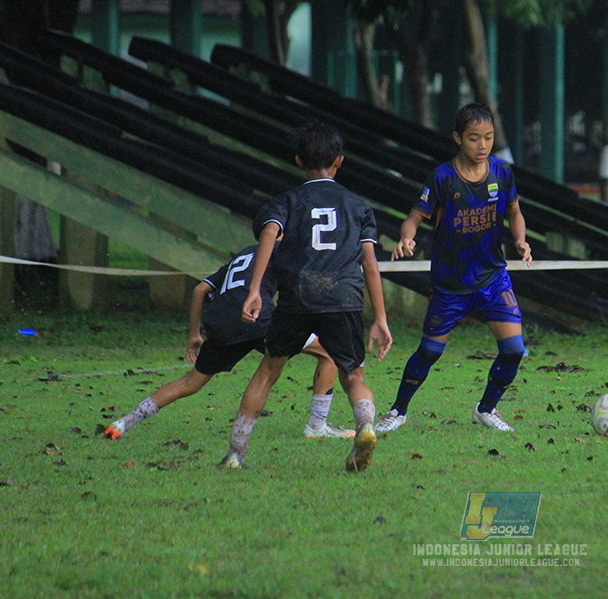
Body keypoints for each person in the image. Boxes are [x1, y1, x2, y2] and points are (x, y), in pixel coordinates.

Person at [219, 121, 392, 471]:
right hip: (344, 297)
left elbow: (269, 234)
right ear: (339, 161)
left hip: (297, 296)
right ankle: (365, 426)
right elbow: (370, 265)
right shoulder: (358, 207)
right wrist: (380, 318)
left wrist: (254, 291)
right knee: (353, 375)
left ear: (299, 160)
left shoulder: (286, 202)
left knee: (268, 371)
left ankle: (236, 454)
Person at [375, 103, 531, 434]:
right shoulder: (443, 177)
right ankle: (397, 411)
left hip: (492, 278)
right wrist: (406, 238)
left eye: (488, 137)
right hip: (450, 284)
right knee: (429, 352)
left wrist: (520, 240)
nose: (482, 145)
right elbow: (414, 217)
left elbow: (515, 211)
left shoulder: (502, 172)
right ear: (458, 138)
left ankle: (486, 409)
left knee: (514, 350)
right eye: (474, 138)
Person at [103, 245, 354, 441]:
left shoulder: (242, 256)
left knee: (190, 382)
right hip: (258, 318)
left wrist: (194, 335)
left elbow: (200, 290)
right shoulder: (282, 251)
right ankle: (317, 426)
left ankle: (124, 423)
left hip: (222, 323)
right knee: (329, 352)